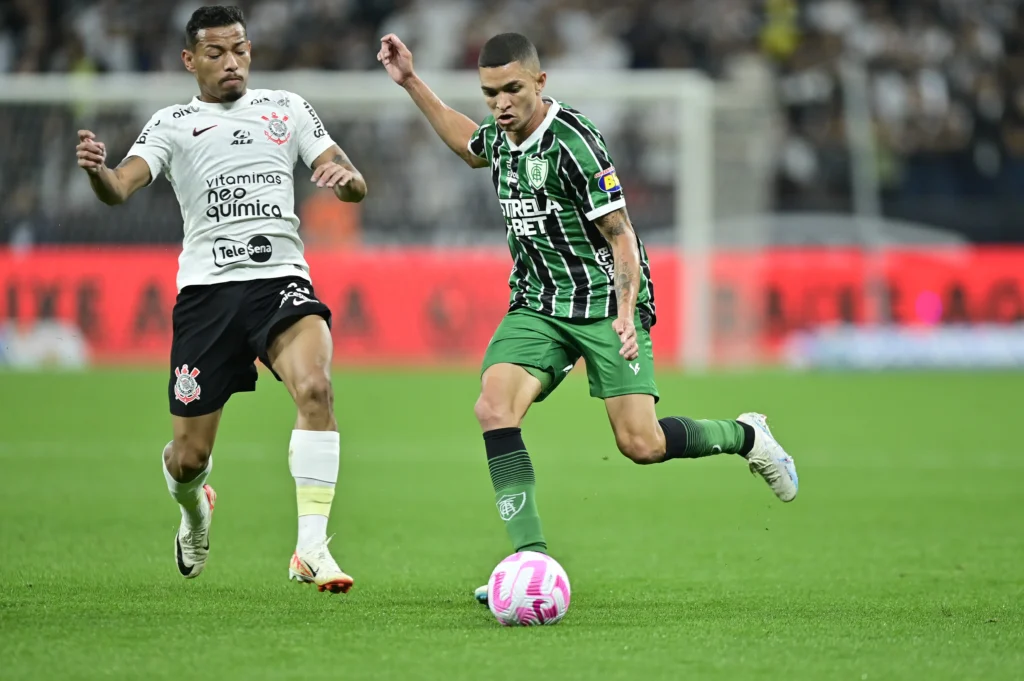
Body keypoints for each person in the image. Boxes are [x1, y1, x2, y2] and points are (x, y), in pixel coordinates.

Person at [377, 32, 799, 602]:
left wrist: (626, 313)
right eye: (490, 93)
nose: (500, 104)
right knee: (493, 408)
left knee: (641, 444)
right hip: (538, 303)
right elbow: (466, 143)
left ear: (540, 83)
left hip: (603, 303)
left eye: (512, 90)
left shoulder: (575, 143)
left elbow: (621, 237)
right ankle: (532, 562)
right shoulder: (501, 137)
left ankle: (747, 435)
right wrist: (411, 82)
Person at [75, 5, 366, 595]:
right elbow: (120, 187)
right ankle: (195, 509)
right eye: (216, 53)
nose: (232, 62)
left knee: (315, 388)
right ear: (190, 60)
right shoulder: (172, 123)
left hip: (280, 280)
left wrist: (347, 181)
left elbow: (349, 175)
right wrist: (99, 173)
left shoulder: (287, 108)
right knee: (186, 458)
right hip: (207, 297)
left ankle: (311, 549)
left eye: (240, 50)